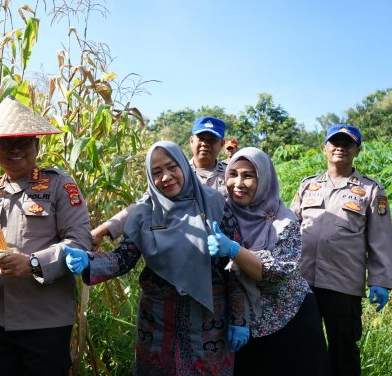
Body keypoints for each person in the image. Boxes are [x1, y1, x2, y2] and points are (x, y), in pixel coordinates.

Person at [64, 141, 249, 375]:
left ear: (183, 165)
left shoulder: (215, 204)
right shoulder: (146, 213)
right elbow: (123, 258)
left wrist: (239, 319)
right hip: (158, 325)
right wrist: (89, 260)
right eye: (157, 172)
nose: (166, 177)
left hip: (208, 324)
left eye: (172, 167)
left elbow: (236, 266)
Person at [0, 96, 92, 376]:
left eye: (23, 142)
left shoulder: (61, 185)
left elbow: (80, 241)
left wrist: (34, 263)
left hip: (45, 322)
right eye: (5, 143)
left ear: (37, 146)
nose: (14, 149)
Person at [208, 147, 331, 376]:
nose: (238, 183)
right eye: (233, 174)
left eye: (248, 175)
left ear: (264, 179)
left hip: (288, 319)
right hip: (242, 322)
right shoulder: (221, 213)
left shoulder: (284, 221)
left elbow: (276, 273)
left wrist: (234, 250)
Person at [290, 124, 392, 376]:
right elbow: (289, 227)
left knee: (343, 351)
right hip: (303, 283)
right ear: (325, 148)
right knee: (302, 346)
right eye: (335, 142)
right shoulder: (308, 186)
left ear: (357, 150)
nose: (340, 148)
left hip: (343, 285)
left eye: (347, 144)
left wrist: (380, 280)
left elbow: (381, 239)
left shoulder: (371, 190)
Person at [91, 116, 228, 249]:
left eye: (212, 140)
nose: (205, 144)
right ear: (191, 141)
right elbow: (143, 204)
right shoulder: (177, 172)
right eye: (201, 138)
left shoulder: (230, 175)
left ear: (222, 144)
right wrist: (102, 230)